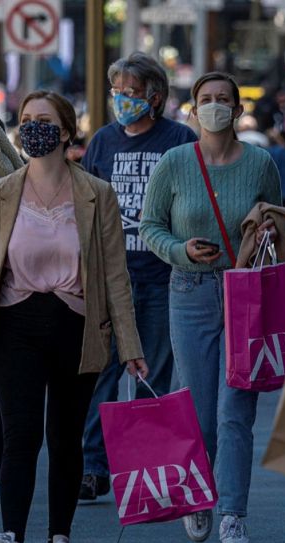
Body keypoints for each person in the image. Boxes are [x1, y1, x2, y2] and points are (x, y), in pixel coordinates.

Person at [0, 91, 147, 543]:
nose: (32, 128)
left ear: (65, 132)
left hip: (76, 324)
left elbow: (115, 276)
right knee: (20, 434)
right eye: (25, 121)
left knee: (65, 437)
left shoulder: (96, 194)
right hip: (14, 324)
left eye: (44, 121)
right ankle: (10, 540)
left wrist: (130, 348)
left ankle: (59, 540)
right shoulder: (2, 192)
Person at [139, 71, 282, 543]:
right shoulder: (176, 163)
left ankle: (234, 516)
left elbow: (277, 227)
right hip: (190, 292)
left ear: (239, 111)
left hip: (244, 293)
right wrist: (181, 251)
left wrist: (261, 235)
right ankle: (197, 496)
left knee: (235, 409)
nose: (216, 105)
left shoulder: (261, 163)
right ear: (193, 110)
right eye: (207, 99)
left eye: (225, 99)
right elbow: (150, 226)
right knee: (197, 410)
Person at [77, 52, 196, 501]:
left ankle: (146, 468)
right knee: (101, 372)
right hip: (111, 280)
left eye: (131, 93)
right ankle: (94, 466)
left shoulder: (179, 140)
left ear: (155, 97)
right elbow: (85, 205)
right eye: (118, 92)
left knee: (153, 374)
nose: (122, 100)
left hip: (163, 276)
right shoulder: (104, 141)